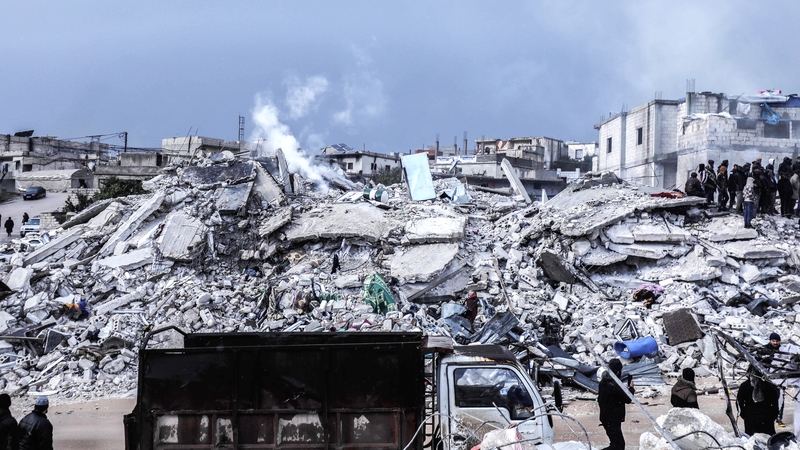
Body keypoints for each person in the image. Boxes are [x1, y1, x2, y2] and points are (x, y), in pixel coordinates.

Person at [598, 358, 633, 450]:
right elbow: (628, 399)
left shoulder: (603, 381)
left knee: (617, 444)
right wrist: (631, 388)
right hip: (612, 418)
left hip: (606, 417)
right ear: (618, 372)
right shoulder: (615, 385)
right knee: (618, 446)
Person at [737, 366, 780, 436]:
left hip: (751, 417)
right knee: (768, 440)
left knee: (752, 441)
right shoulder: (770, 385)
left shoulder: (744, 385)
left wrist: (743, 414)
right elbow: (775, 402)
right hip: (766, 417)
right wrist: (774, 415)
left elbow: (739, 402)